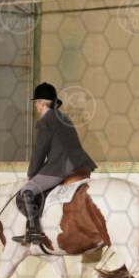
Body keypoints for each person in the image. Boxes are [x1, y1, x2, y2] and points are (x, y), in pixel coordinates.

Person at [12, 82, 97, 244]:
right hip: (82, 164)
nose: (36, 106)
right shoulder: (64, 117)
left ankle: (34, 232)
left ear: (42, 103)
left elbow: (39, 152)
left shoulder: (46, 121)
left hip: (62, 166)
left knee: (27, 192)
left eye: (36, 102)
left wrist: (31, 174)